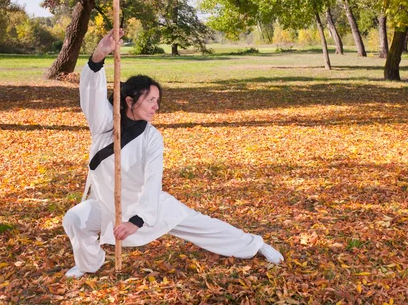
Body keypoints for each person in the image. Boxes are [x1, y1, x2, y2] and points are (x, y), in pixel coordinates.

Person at [63, 29, 283, 278]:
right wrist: (99, 55)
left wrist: (136, 220)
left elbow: (153, 181)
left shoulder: (152, 138)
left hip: (147, 205)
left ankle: (256, 245)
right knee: (75, 219)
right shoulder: (104, 121)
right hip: (107, 205)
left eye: (158, 101)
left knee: (203, 225)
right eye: (151, 100)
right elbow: (91, 94)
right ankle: (88, 264)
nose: (156, 106)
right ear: (129, 100)